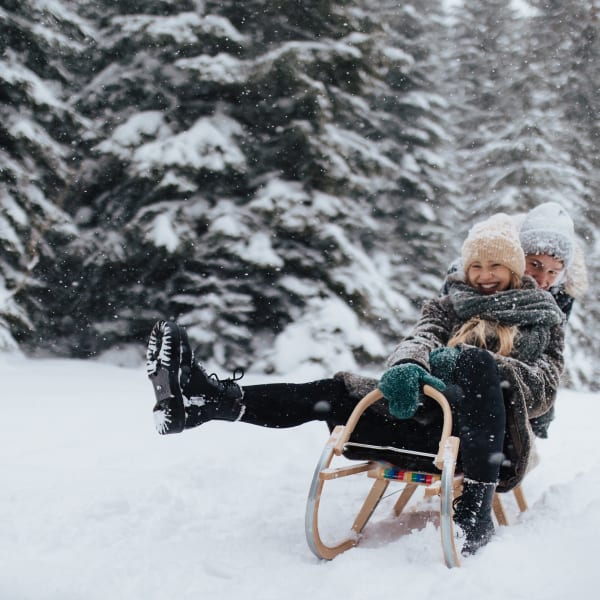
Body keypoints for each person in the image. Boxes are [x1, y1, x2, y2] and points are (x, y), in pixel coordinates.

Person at [146, 214, 565, 556]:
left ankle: (474, 510)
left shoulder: (543, 318)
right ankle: (208, 402)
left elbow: (545, 389)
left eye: (494, 267)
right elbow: (419, 338)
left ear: (512, 270)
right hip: (428, 426)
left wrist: (479, 367)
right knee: (337, 392)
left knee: (475, 363)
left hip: (495, 443)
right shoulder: (446, 305)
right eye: (476, 265)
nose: (484, 275)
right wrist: (408, 365)